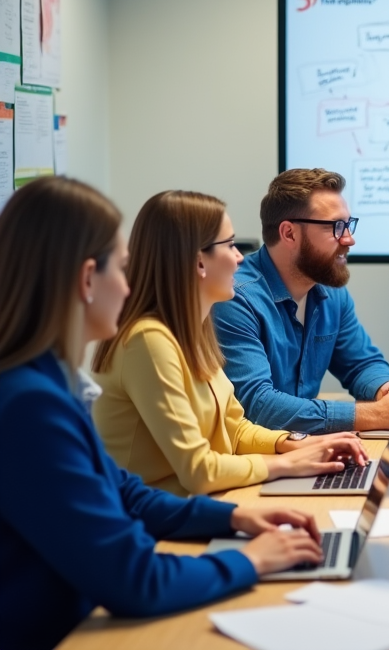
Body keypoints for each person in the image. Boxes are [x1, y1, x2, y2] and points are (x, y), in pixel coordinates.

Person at [0, 178, 328, 650]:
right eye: (124, 268)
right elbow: (133, 579)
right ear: (87, 279)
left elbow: (127, 494)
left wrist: (233, 518)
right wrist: (251, 561)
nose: (130, 285)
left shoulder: (48, 382)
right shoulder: (30, 407)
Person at [92, 191, 369, 497]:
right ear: (199, 261)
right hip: (154, 524)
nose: (240, 257)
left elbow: (234, 430)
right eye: (230, 245)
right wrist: (289, 464)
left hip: (197, 504)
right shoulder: (148, 341)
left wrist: (300, 442)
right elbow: (199, 471)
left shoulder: (192, 331)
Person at [212, 168, 389, 433]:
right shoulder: (235, 299)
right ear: (289, 234)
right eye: (336, 227)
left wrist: (388, 392)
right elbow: (259, 406)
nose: (349, 239)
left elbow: (361, 363)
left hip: (303, 450)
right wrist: (376, 415)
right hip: (252, 460)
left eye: (349, 224)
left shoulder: (330, 291)